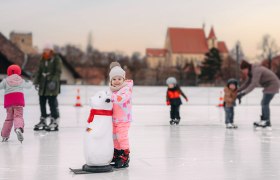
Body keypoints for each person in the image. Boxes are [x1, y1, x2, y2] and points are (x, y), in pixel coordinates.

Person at [237, 60, 280, 129]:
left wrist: (243, 93)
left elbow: (254, 84)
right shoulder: (251, 72)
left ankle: (266, 121)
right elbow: (247, 83)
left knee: (265, 103)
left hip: (273, 85)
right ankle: (264, 120)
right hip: (269, 86)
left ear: (247, 68)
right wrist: (237, 91)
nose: (244, 72)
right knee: (264, 102)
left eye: (244, 70)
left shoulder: (256, 70)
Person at [109, 62, 133, 168]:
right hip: (114, 119)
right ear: (111, 80)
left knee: (121, 137)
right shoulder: (112, 90)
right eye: (114, 79)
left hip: (123, 119)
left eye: (119, 78)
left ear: (123, 79)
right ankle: (117, 154)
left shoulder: (126, 89)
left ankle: (125, 155)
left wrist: (111, 98)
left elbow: (121, 99)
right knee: (114, 137)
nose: (117, 81)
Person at [33, 44, 62, 131]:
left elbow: (58, 71)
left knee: (52, 103)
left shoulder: (56, 59)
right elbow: (39, 71)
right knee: (42, 102)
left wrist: (53, 81)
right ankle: (43, 119)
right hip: (43, 85)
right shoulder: (42, 59)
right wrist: (36, 81)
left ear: (51, 50)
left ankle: (54, 120)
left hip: (52, 86)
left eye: (47, 49)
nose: (45, 51)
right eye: (44, 49)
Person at [0, 65, 32, 143]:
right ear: (19, 72)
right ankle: (18, 128)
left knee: (9, 119)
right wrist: (30, 82)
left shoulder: (5, 80)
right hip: (18, 101)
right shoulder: (21, 80)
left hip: (9, 102)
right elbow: (28, 86)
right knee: (18, 116)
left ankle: (4, 136)